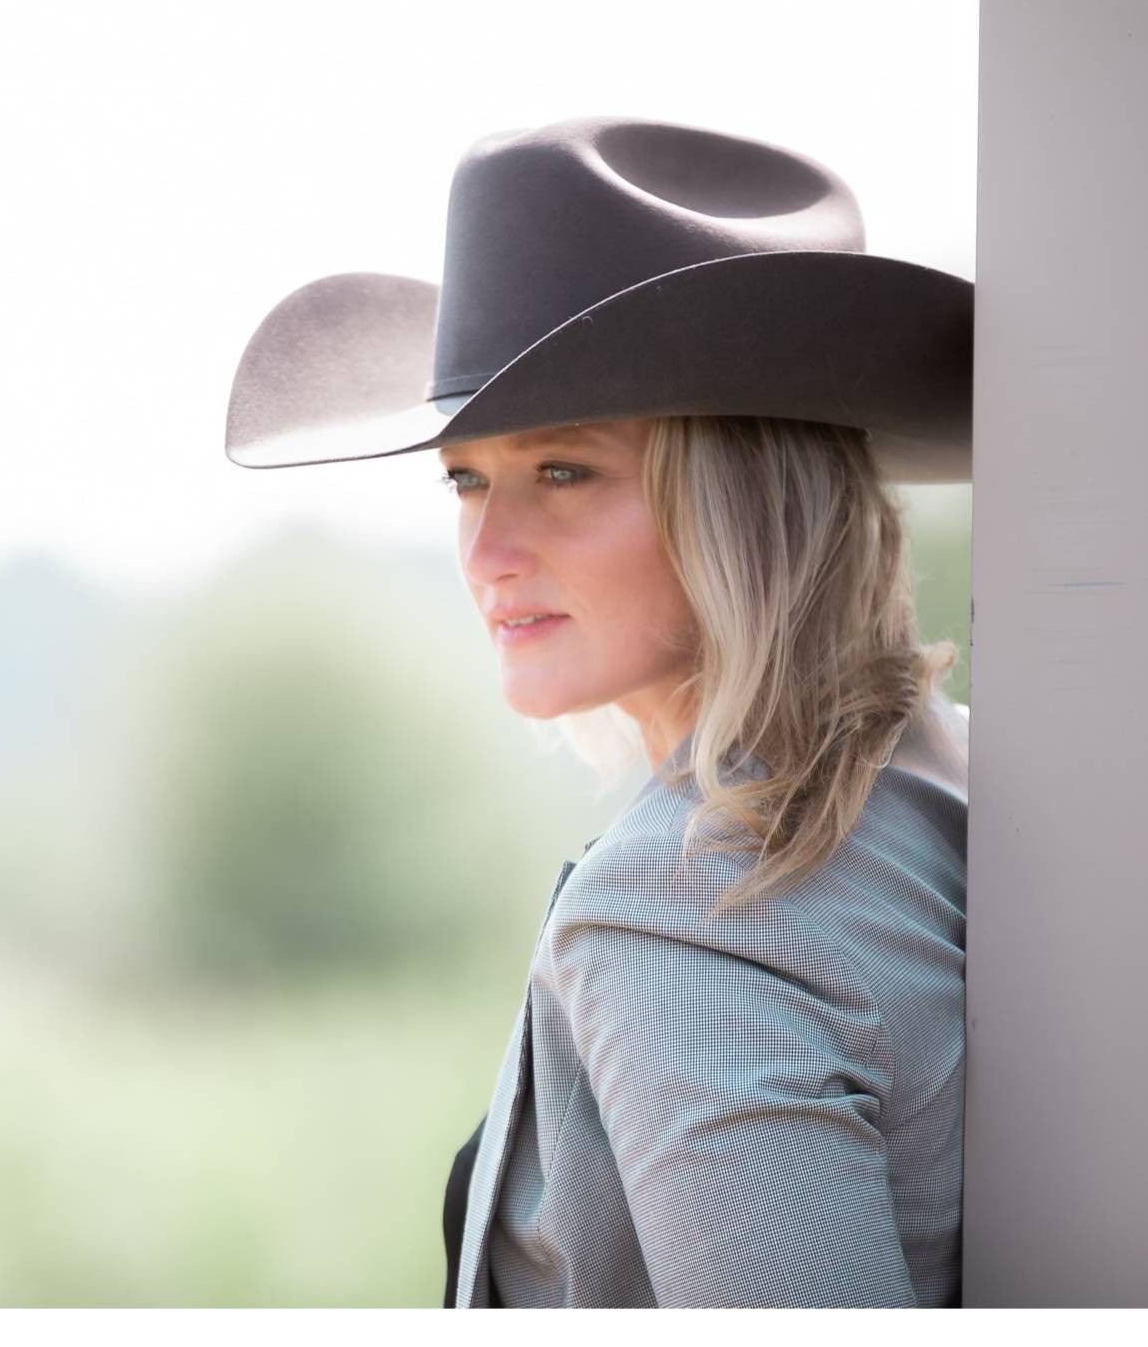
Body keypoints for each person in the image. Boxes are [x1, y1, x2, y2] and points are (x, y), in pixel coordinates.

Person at [224, 115, 973, 1308]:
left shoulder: (681, 912)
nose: (487, 553)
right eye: (466, 480)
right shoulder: (952, 775)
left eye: (562, 472)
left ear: (743, 499)